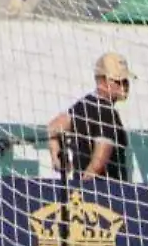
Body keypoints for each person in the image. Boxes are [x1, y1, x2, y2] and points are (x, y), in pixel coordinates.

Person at [48, 52, 132, 183]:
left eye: (125, 81)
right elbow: (99, 161)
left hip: (85, 191)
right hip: (107, 192)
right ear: (103, 80)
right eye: (118, 81)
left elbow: (53, 127)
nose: (124, 86)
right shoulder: (107, 113)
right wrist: (86, 184)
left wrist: (56, 158)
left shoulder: (84, 104)